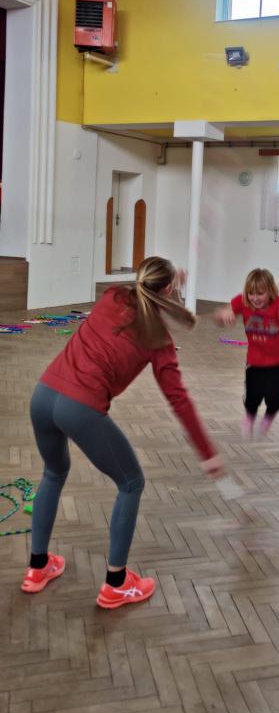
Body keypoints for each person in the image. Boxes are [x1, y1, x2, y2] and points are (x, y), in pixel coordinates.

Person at [21, 257, 223, 608]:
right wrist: (207, 452)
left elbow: (142, 291)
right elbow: (179, 400)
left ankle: (37, 568)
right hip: (79, 407)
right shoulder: (158, 339)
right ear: (167, 290)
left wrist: (167, 284)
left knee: (53, 472)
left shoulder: (112, 296)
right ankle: (116, 583)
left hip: (44, 395)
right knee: (131, 482)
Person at [215, 268, 279, 438]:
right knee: (253, 397)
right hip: (255, 362)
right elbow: (219, 317)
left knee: (275, 398)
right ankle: (249, 417)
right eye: (251, 293)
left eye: (260, 293)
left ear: (271, 291)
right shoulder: (243, 302)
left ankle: (269, 416)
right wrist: (224, 314)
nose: (255, 298)